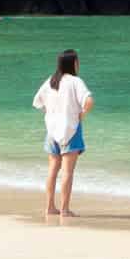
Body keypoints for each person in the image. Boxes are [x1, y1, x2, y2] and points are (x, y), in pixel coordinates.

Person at [33, 50, 91, 224]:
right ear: (73, 63)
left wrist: (51, 113)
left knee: (52, 170)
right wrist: (81, 114)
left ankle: (50, 207)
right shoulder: (75, 81)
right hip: (70, 130)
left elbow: (37, 102)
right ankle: (64, 209)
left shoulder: (52, 80)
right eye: (77, 61)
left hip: (52, 131)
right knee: (67, 172)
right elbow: (89, 101)